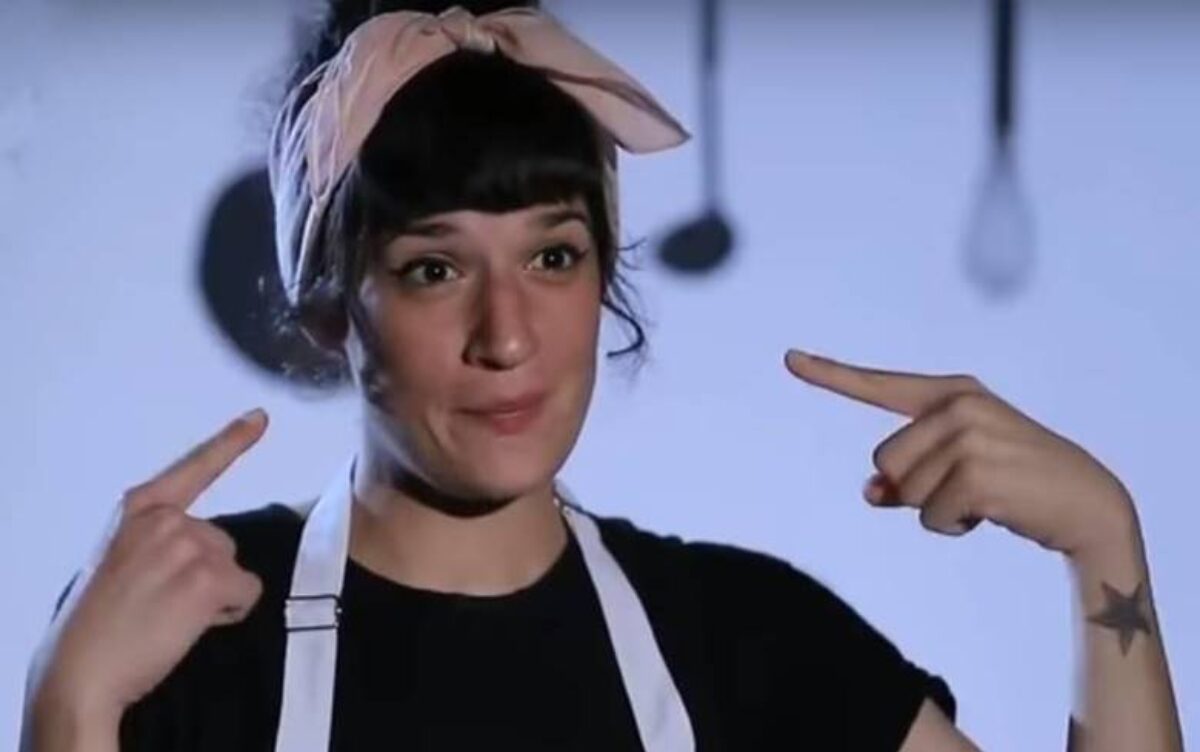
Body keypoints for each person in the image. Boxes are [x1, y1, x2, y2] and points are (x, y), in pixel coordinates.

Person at [22, 2, 1184, 750]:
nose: (508, 335)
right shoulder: (194, 634)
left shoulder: (745, 639)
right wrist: (68, 711)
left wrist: (1104, 545)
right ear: (332, 309)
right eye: (434, 268)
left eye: (554, 256)